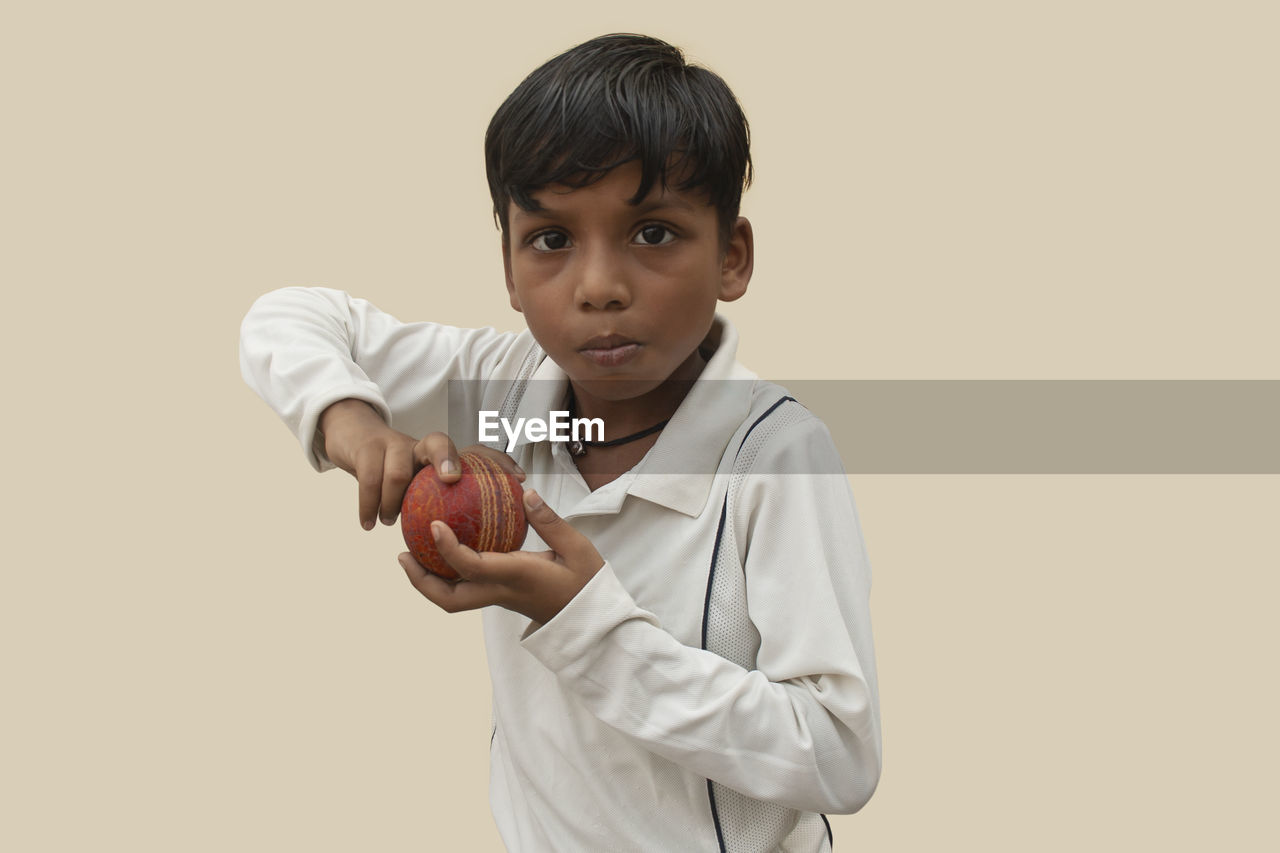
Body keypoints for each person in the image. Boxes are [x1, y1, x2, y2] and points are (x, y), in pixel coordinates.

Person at [240, 33, 880, 852]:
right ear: (508, 267)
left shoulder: (775, 456)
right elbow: (285, 317)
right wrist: (349, 420)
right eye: (550, 239)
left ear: (732, 255)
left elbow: (840, 753)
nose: (598, 286)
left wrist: (584, 620)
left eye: (653, 233)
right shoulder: (502, 386)